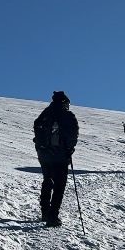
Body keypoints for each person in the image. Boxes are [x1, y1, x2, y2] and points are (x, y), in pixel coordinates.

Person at [32, 91, 79, 227]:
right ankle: (53, 216)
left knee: (47, 180)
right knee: (60, 185)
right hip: (60, 155)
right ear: (65, 102)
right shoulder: (67, 115)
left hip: (44, 154)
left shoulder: (45, 113)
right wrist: (69, 149)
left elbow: (37, 127)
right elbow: (73, 135)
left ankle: (45, 212)